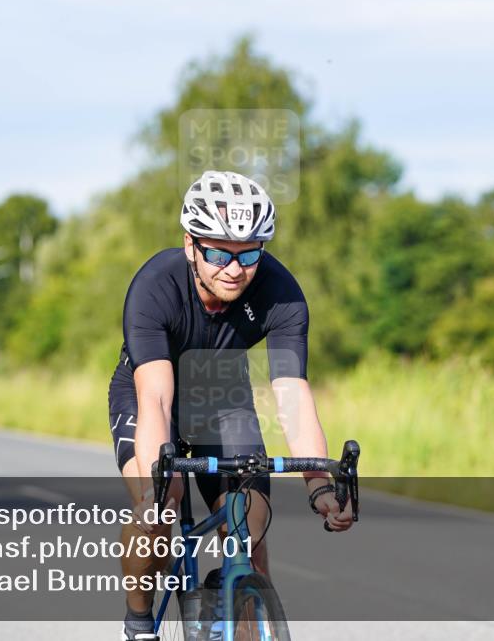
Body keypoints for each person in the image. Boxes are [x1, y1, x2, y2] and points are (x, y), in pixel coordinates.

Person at [108, 170, 354, 640]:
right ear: (190, 245)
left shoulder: (281, 293)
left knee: (251, 528)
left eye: (249, 255)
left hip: (221, 396)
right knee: (158, 511)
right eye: (218, 253)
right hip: (149, 394)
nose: (234, 269)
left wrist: (319, 485)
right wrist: (159, 487)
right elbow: (156, 400)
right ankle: (138, 621)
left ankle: (234, 595)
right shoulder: (154, 287)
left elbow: (292, 394)